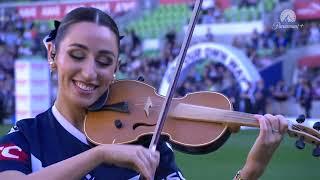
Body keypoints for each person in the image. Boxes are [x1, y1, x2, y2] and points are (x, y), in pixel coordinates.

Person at [0, 7, 288, 180]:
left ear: (117, 67)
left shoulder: (149, 147)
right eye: (77, 55)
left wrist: (251, 170)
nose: (89, 73)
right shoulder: (25, 138)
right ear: (53, 54)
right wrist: (99, 155)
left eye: (104, 61)